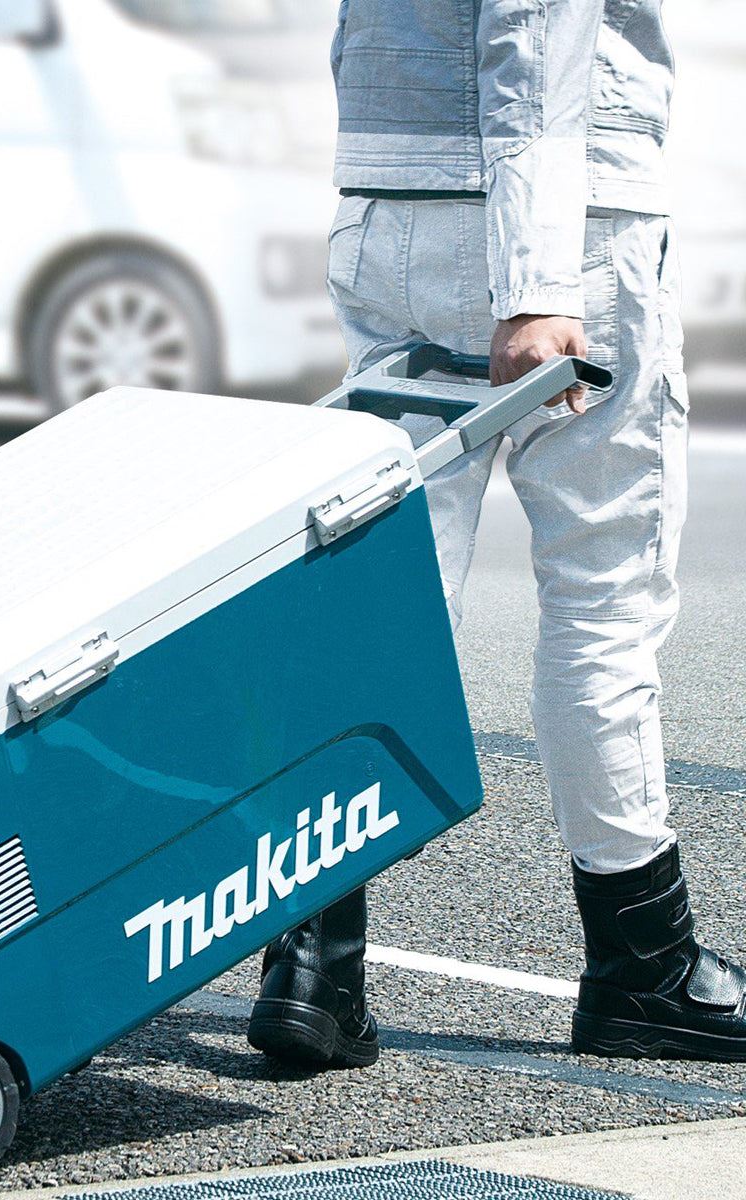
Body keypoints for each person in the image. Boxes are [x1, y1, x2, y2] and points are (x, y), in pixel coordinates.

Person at [249, 1, 746, 1070]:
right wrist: (535, 280)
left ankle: (313, 962)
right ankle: (644, 968)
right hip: (563, 221)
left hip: (388, 208)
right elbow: (536, 17)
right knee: (604, 597)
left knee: (385, 599)